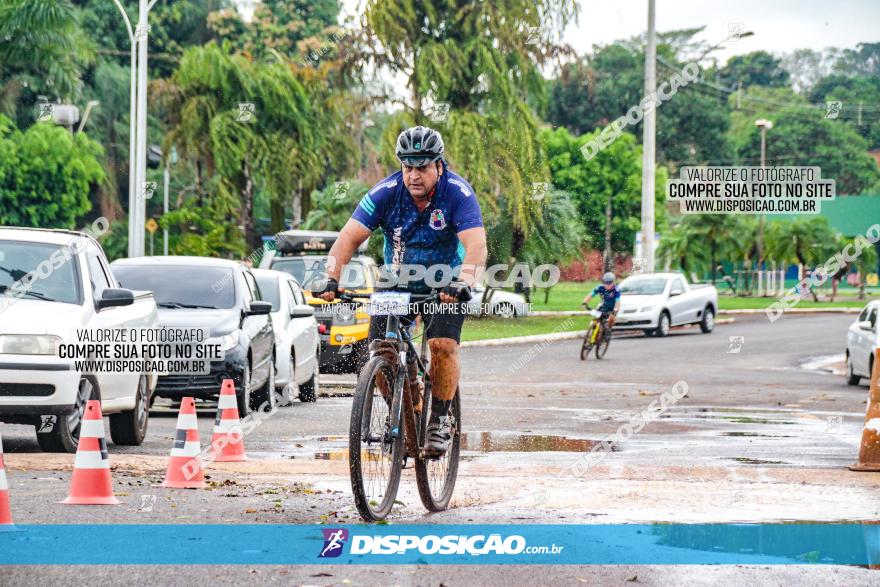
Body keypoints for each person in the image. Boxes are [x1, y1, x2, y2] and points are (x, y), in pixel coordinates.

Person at [313, 125, 487, 456]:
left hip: (446, 281)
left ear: (439, 165)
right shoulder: (386, 192)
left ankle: (439, 420)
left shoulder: (457, 194)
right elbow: (348, 237)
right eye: (408, 166)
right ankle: (405, 408)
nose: (414, 175)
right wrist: (331, 277)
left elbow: (476, 244)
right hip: (396, 280)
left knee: (442, 345)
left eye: (422, 166)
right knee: (380, 350)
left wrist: (464, 281)